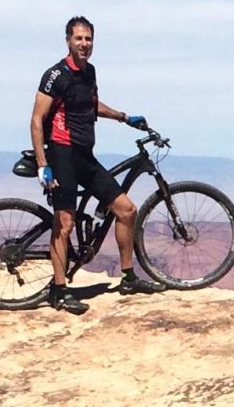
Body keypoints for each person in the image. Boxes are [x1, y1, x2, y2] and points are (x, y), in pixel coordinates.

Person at [29, 16, 152, 314]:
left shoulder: (90, 72)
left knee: (126, 210)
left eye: (88, 39)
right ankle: (58, 291)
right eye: (78, 38)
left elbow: (91, 104)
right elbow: (36, 120)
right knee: (65, 222)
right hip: (61, 154)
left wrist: (123, 116)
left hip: (84, 155)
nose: (84, 44)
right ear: (68, 40)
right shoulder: (55, 75)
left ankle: (128, 278)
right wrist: (43, 165)